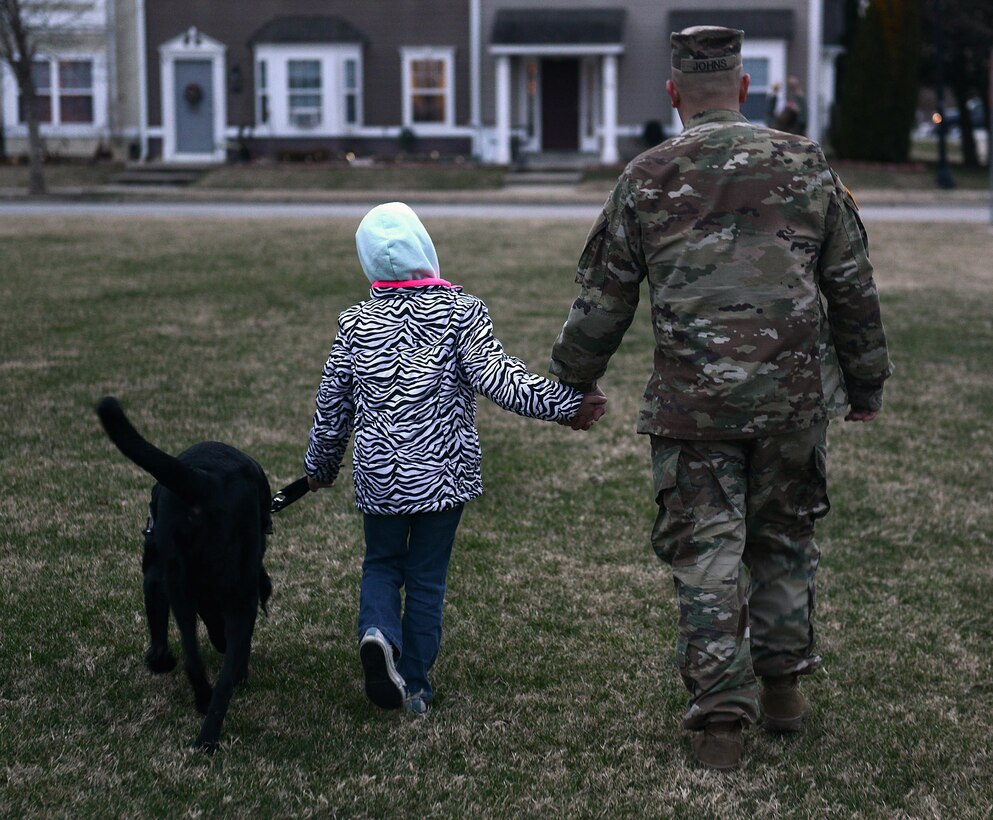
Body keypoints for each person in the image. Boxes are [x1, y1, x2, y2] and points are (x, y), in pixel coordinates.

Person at [548, 26, 892, 769]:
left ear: (674, 96)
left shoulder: (645, 177)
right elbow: (851, 288)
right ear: (744, 89)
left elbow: (602, 302)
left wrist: (572, 380)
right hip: (792, 402)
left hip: (691, 408)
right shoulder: (805, 165)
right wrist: (864, 383)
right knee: (783, 540)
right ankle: (781, 694)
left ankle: (718, 728)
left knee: (706, 558)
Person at [305, 202, 605, 716]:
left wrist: (321, 465)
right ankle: (415, 686)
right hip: (442, 478)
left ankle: (378, 633)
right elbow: (500, 379)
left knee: (381, 563)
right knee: (425, 576)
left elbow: (333, 401)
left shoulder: (355, 323)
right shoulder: (459, 312)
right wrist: (568, 405)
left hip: (380, 478)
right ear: (426, 248)